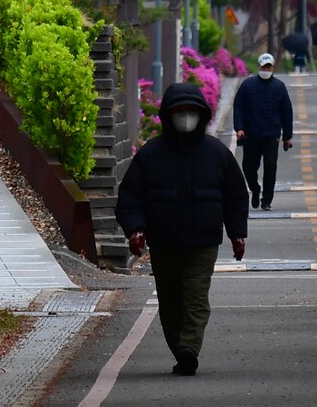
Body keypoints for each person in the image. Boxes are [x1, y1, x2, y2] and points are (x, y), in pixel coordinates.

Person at [116, 82, 248, 377]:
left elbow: (236, 195)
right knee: (170, 300)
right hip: (164, 242)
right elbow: (131, 196)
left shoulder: (216, 154)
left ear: (201, 115)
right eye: (180, 112)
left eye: (191, 111)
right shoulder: (151, 155)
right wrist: (135, 229)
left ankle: (189, 347)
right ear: (168, 116)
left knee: (196, 296)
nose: (186, 117)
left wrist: (237, 232)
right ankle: (181, 349)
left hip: (203, 241)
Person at [232, 52, 293, 211]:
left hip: (271, 135)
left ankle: (267, 200)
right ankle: (255, 188)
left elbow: (287, 112)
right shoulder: (248, 85)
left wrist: (287, 136)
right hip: (251, 134)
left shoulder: (279, 87)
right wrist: (239, 128)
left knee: (270, 166)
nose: (266, 69)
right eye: (263, 66)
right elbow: (238, 106)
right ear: (259, 66)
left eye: (269, 66)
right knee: (248, 166)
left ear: (272, 67)